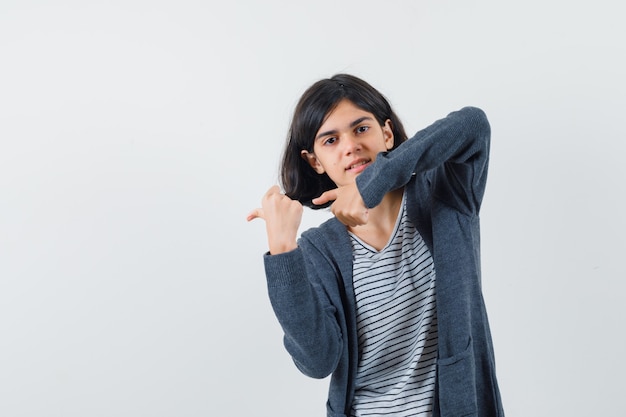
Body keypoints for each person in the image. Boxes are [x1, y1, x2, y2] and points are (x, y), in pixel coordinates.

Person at [247, 73, 504, 417]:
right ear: (315, 162)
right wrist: (282, 251)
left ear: (387, 133)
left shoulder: (443, 197)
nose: (350, 145)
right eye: (330, 140)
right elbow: (317, 361)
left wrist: (371, 183)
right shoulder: (319, 250)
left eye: (361, 129)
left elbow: (473, 125)